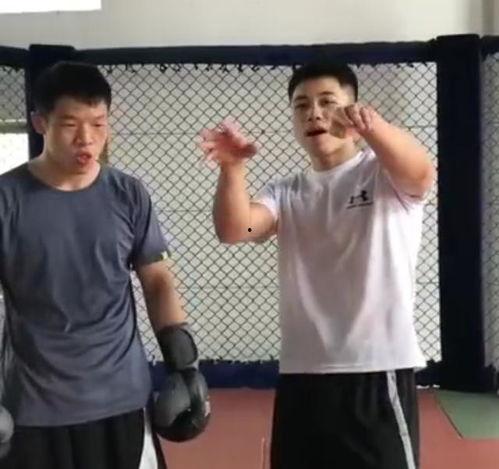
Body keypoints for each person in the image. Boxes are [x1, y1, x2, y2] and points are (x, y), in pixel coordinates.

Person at [201, 62, 435, 469]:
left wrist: (374, 127)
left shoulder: (382, 175)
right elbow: (236, 228)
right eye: (302, 105)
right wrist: (233, 168)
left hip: (374, 370)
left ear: (353, 109)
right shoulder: (286, 192)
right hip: (302, 374)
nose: (314, 113)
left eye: (328, 102)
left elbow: (421, 172)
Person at [0, 61, 209, 469]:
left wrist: (184, 367)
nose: (87, 138)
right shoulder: (6, 199)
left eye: (98, 124)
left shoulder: (128, 194)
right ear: (40, 123)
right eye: (70, 125)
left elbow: (158, 281)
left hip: (121, 399)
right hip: (35, 405)